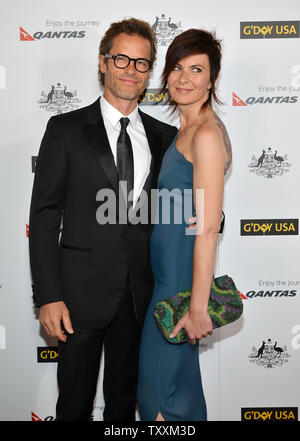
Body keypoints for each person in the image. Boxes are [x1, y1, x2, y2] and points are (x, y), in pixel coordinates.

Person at [29, 18, 177, 421]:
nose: (131, 69)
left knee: (124, 407)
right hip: (76, 298)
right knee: (73, 406)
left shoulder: (166, 137)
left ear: (150, 71)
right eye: (121, 59)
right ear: (103, 62)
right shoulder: (66, 129)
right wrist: (47, 294)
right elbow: (43, 217)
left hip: (140, 299)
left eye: (141, 62)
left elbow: (175, 209)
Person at [137, 29, 232, 421]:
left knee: (162, 401)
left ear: (212, 79)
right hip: (165, 280)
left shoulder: (206, 134)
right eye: (177, 67)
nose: (183, 78)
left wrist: (196, 308)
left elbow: (207, 228)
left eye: (196, 69)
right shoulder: (187, 130)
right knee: (174, 394)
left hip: (178, 286)